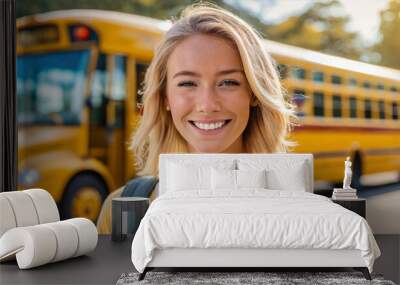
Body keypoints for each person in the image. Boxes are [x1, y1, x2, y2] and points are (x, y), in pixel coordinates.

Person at [96, 3, 296, 234]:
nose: (207, 105)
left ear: (254, 93)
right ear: (165, 98)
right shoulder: (121, 208)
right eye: (187, 83)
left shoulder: (295, 207)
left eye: (228, 82)